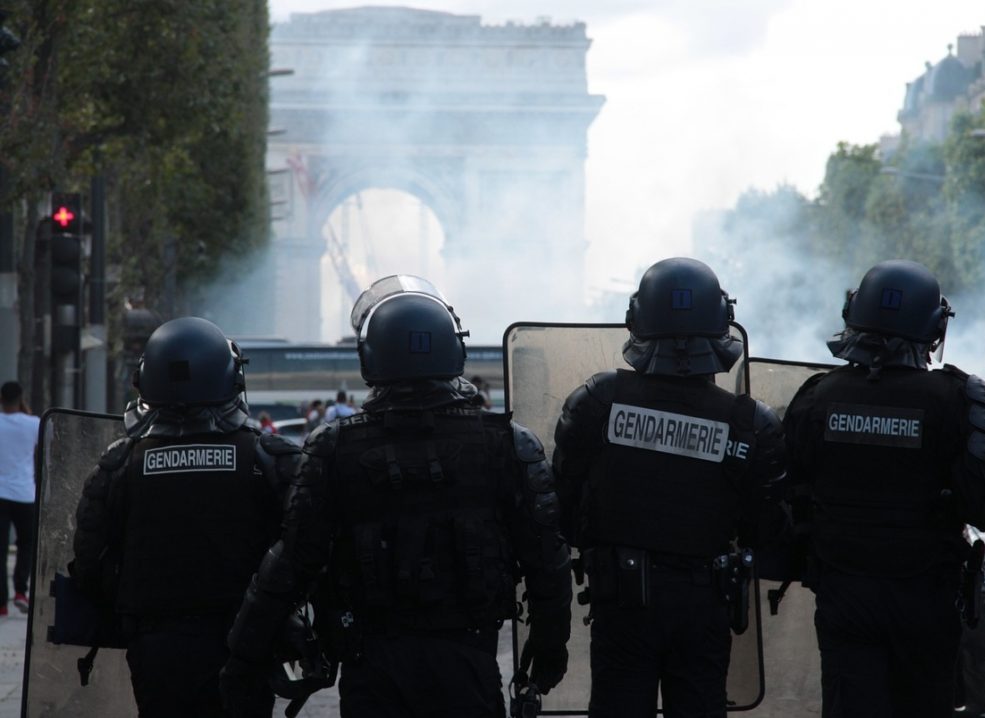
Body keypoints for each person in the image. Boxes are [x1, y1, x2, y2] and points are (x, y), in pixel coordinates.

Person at [221, 275, 572, 717]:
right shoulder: (508, 444)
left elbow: (292, 562)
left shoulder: (332, 448)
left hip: (372, 670)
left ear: (371, 357)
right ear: (454, 349)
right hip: (468, 661)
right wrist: (550, 648)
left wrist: (244, 656)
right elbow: (547, 560)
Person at [783, 259, 985, 718]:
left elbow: (787, 492)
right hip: (925, 598)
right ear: (933, 327)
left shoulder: (818, 396)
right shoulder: (960, 399)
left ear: (854, 314)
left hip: (844, 592)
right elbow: (984, 505)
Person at [551, 257, 787, 718]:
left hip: (622, 602)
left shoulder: (598, 401)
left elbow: (563, 509)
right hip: (705, 606)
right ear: (722, 323)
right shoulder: (751, 423)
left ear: (637, 321)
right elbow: (767, 533)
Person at [70, 317, 298, 718]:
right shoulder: (268, 457)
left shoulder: (120, 462)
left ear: (147, 378)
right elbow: (306, 548)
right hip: (245, 638)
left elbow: (88, 559)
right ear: (231, 378)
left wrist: (125, 609)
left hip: (156, 642)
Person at [0, 381, 40, 617]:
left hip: (0, 494)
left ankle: (1, 603)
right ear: (21, 397)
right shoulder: (33, 424)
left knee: (1, 548)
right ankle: (21, 592)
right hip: (25, 493)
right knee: (27, 543)